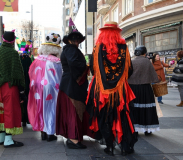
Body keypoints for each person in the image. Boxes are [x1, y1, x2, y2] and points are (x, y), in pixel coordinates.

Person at [86, 21, 137, 156]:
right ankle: (125, 146)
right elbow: (129, 70)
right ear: (117, 33)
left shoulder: (97, 48)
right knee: (123, 115)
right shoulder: (124, 48)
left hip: (101, 90)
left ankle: (109, 146)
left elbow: (92, 69)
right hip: (120, 90)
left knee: (104, 115)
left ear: (102, 33)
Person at [56, 20, 89, 149]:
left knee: (74, 110)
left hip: (71, 83)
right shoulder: (70, 49)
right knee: (73, 111)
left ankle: (74, 137)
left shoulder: (70, 49)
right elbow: (74, 63)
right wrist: (86, 67)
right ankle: (73, 139)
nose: (76, 41)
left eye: (78, 40)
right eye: (74, 39)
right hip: (72, 84)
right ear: (69, 40)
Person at [28, 33, 62, 141]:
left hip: (37, 87)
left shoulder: (37, 60)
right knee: (50, 109)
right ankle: (50, 133)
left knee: (40, 108)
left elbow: (31, 73)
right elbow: (59, 77)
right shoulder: (56, 61)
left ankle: (42, 132)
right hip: (51, 88)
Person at [128, 45, 160, 136]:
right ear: (144, 53)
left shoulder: (131, 61)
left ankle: (134, 129)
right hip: (145, 89)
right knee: (147, 109)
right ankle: (147, 130)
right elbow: (154, 77)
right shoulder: (147, 62)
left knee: (134, 109)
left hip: (132, 88)